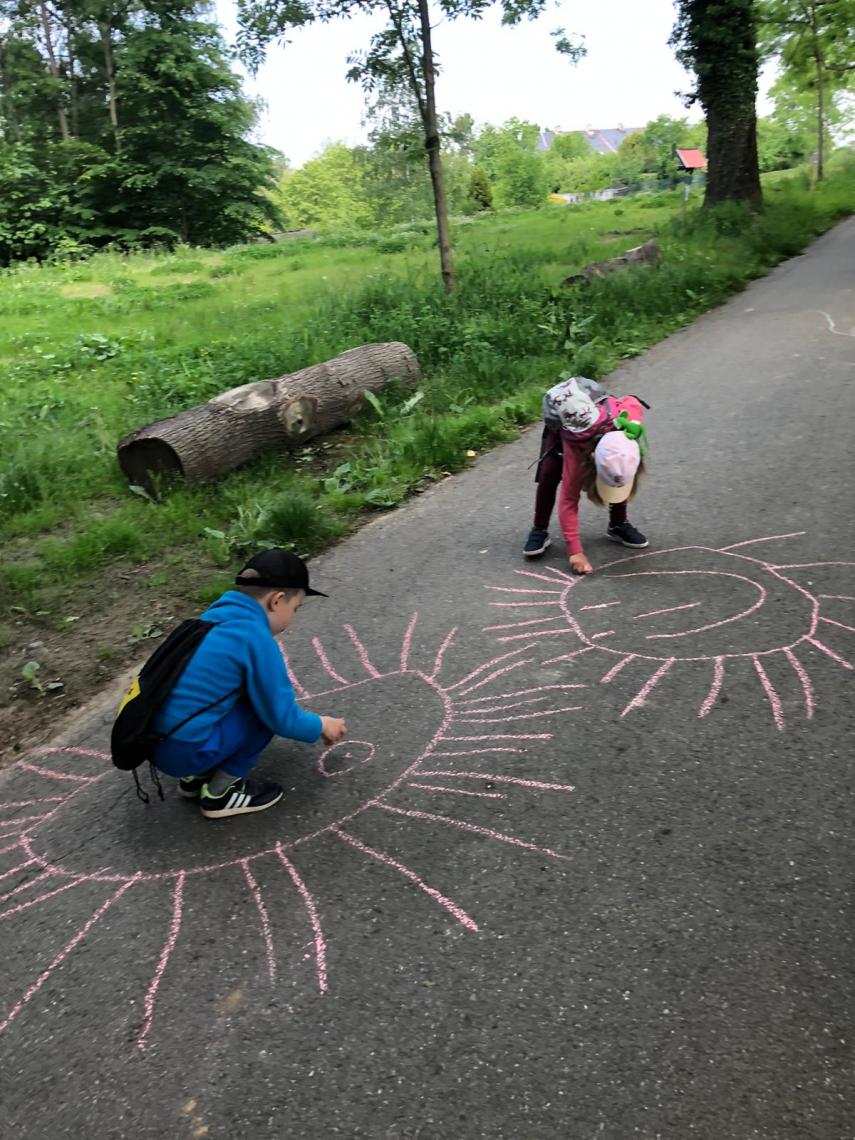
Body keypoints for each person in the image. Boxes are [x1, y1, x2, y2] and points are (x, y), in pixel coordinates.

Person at [152, 548, 346, 820]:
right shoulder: (253, 637)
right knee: (262, 713)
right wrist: (322, 725)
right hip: (183, 751)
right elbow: (282, 719)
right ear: (277, 601)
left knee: (228, 699)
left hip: (155, 742)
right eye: (295, 608)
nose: (293, 618)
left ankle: (196, 778)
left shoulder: (207, 621)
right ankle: (221, 793)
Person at [523, 377, 648, 574]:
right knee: (549, 475)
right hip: (563, 425)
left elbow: (632, 401)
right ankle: (539, 529)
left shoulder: (627, 436)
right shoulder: (577, 455)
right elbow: (568, 501)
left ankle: (618, 523)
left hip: (598, 409)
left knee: (617, 472)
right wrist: (575, 552)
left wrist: (632, 421)